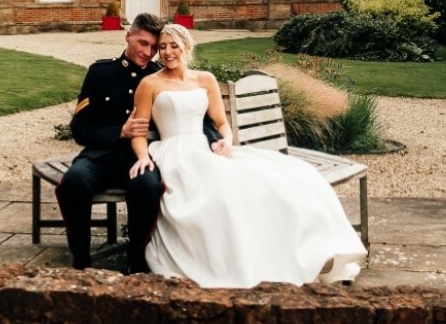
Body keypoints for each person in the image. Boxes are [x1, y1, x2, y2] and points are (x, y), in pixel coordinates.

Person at [129, 23, 368, 289]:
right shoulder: (149, 83)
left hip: (204, 148)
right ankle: (221, 261)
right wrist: (143, 157)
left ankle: (286, 252)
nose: (167, 52)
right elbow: (139, 129)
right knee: (214, 194)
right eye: (162, 47)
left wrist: (227, 143)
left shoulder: (205, 79)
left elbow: (221, 123)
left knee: (279, 178)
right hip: (174, 153)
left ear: (187, 47)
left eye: (174, 45)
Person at [55, 12, 164, 273]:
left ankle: (136, 261)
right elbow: (80, 129)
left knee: (148, 187)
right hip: (100, 158)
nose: (148, 52)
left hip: (139, 160)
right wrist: (119, 132)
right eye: (142, 43)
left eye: (153, 47)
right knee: (74, 181)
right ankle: (81, 261)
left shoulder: (160, 77)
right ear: (128, 36)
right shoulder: (101, 73)